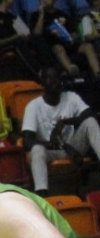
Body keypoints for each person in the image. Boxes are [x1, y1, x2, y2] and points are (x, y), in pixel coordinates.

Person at [20, 67, 100, 197]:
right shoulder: (33, 106)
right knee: (37, 150)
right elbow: (27, 141)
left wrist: (65, 122)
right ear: (42, 82)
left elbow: (91, 115)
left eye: (56, 78)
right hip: (50, 150)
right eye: (49, 78)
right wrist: (57, 145)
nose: (54, 82)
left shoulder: (71, 97)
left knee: (90, 122)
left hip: (73, 148)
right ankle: (42, 193)